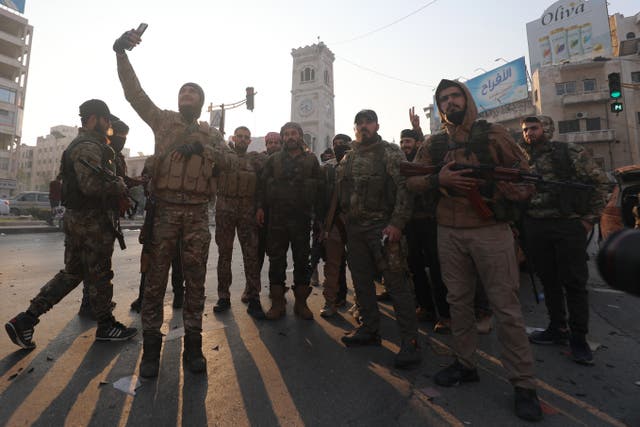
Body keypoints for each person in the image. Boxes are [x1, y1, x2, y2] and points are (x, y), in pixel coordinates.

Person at [406, 80, 542, 422]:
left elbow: (526, 179)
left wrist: (500, 188)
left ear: (467, 99)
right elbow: (409, 180)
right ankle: (465, 364)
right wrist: (440, 181)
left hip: (490, 231)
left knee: (506, 308)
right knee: (458, 304)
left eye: (455, 96)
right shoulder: (434, 143)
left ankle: (524, 384)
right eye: (444, 100)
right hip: (448, 232)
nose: (450, 103)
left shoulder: (493, 134)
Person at [113, 29, 225, 377]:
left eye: (192, 92)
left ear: (200, 100)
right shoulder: (163, 121)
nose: (186, 95)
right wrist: (120, 54)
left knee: (194, 283)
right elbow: (135, 94)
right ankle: (150, 351)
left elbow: (232, 163)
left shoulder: (212, 134)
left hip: (195, 216)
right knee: (155, 283)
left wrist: (204, 149)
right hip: (163, 214)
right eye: (182, 91)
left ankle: (193, 347)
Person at [5, 99, 138, 350]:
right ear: (92, 119)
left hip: (80, 221)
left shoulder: (86, 145)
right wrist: (118, 185)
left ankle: (26, 320)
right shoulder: (88, 146)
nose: (109, 125)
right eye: (105, 120)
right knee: (100, 273)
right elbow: (91, 186)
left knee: (72, 274)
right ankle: (106, 325)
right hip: (91, 222)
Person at [520, 116, 609, 365]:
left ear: (546, 129)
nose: (529, 133)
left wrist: (589, 219)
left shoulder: (567, 151)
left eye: (534, 128)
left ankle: (578, 338)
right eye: (525, 130)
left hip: (567, 224)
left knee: (574, 283)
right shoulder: (521, 159)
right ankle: (556, 328)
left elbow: (602, 183)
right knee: (548, 280)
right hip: (536, 226)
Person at [337, 109, 420, 369]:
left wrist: (397, 223)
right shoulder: (349, 157)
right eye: (359, 123)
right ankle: (369, 329)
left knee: (397, 284)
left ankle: (410, 342)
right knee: (362, 282)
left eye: (368, 122)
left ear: (377, 125)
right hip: (356, 230)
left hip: (383, 230)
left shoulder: (389, 151)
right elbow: (341, 191)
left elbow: (405, 190)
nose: (364, 126)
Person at [256, 122, 323, 320]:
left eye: (294, 133)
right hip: (277, 220)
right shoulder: (274, 159)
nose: (290, 137)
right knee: (276, 260)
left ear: (300, 136)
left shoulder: (311, 160)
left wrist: (319, 219)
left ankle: (301, 303)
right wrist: (259, 208)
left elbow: (320, 190)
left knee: (302, 261)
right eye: (286, 134)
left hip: (302, 220)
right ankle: (278, 303)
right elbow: (261, 185)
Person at [213, 126, 266, 319]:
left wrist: (260, 207)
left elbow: (262, 185)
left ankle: (254, 298)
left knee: (251, 255)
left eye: (246, 137)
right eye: (240, 136)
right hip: (225, 211)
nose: (242, 140)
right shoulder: (223, 158)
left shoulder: (255, 160)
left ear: (250, 141)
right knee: (224, 254)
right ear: (234, 138)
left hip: (247, 212)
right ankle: (223, 296)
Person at [130, 156, 185, 313]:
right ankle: (143, 297)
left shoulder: (184, 157)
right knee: (149, 256)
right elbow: (146, 182)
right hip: (155, 212)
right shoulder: (154, 160)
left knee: (178, 257)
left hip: (176, 212)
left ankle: (179, 295)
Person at [318, 141, 351, 317]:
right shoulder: (328, 170)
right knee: (332, 266)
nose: (339, 148)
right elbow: (322, 197)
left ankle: (363, 306)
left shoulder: (359, 165)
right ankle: (330, 302)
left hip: (356, 223)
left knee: (361, 267)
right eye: (336, 145)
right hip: (334, 224)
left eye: (343, 145)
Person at [257, 131, 282, 273]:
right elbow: (258, 186)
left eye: (276, 142)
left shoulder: (286, 160)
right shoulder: (259, 160)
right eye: (270, 143)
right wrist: (259, 207)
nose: (273, 145)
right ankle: (253, 288)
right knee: (258, 249)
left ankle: (276, 288)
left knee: (277, 251)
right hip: (263, 211)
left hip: (280, 212)